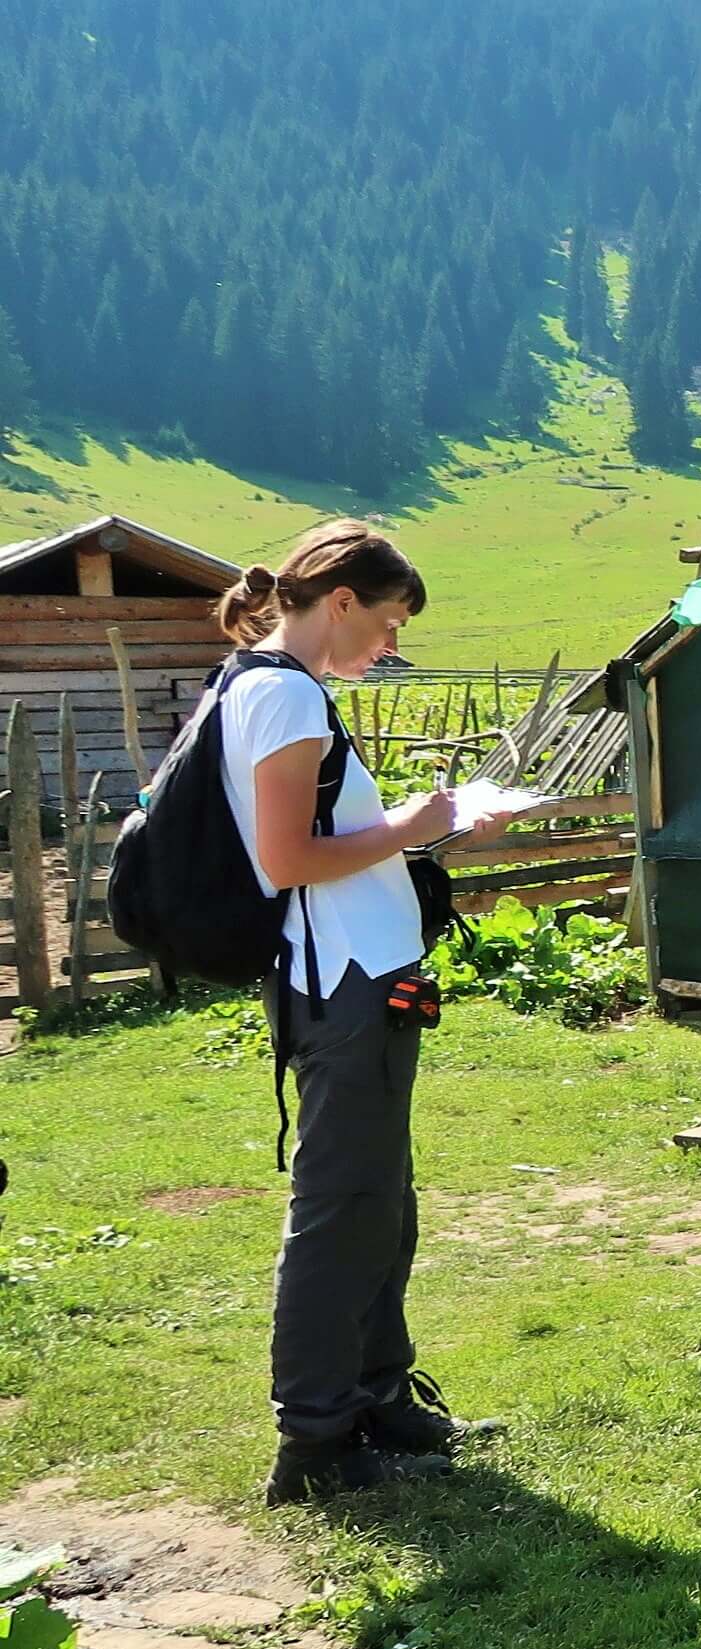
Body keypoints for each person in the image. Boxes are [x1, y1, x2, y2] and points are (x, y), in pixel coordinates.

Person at [203, 521, 505, 1505]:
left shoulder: (269, 688)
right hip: (343, 988)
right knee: (342, 1212)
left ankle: (380, 1397)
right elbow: (288, 862)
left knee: (382, 1201)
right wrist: (415, 826)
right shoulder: (284, 695)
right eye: (386, 624)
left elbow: (331, 851)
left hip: (356, 977)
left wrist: (428, 838)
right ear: (340, 601)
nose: (388, 648)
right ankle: (317, 1441)